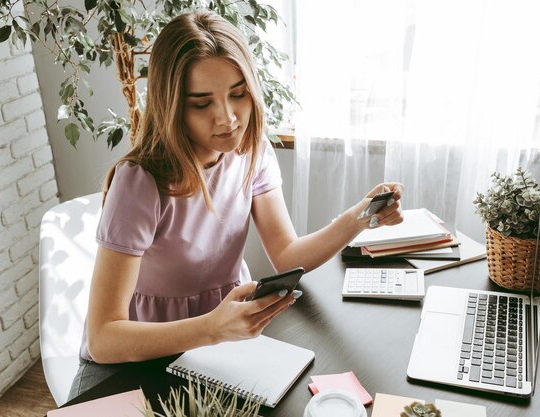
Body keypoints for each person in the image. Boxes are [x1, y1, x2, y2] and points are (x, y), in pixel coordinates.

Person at [67, 9, 404, 400]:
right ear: (172, 104)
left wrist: (358, 218)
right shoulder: (141, 182)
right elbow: (105, 337)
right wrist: (211, 328)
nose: (226, 118)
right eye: (201, 103)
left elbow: (287, 254)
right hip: (137, 361)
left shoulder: (252, 152)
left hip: (217, 351)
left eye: (237, 93)